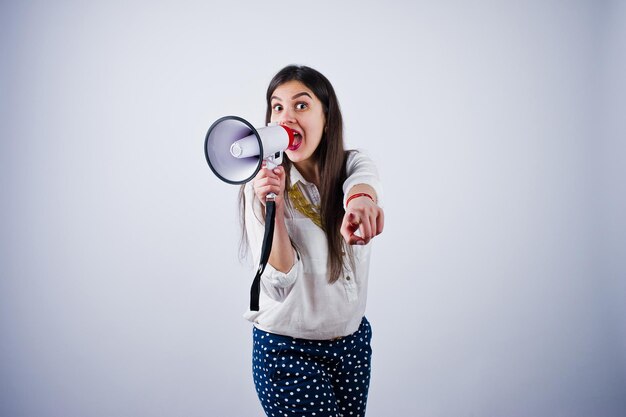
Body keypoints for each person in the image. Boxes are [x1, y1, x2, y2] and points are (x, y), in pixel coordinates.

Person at [240, 65, 384, 417]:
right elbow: (278, 284)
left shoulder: (352, 164)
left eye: (301, 106)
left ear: (328, 119)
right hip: (288, 353)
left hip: (352, 345)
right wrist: (272, 205)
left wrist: (361, 202)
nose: (286, 116)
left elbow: (362, 181)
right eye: (277, 107)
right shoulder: (257, 186)